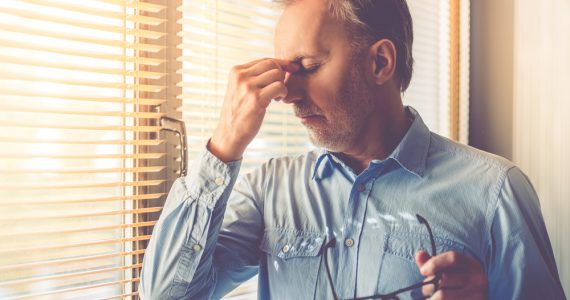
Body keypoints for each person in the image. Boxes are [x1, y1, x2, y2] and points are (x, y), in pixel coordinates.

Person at [139, 0, 566, 299]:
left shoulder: (497, 193)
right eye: (283, 72)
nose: (288, 95)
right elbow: (166, 295)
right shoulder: (270, 191)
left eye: (306, 67)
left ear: (380, 62)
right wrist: (224, 145)